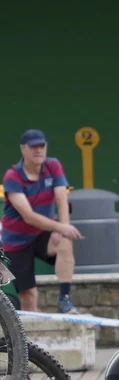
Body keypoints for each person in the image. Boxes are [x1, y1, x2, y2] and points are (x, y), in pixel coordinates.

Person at [1, 130, 82, 313]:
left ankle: (64, 300)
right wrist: (60, 226)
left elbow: (62, 200)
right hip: (15, 242)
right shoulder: (12, 176)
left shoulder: (53, 165)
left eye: (41, 146)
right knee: (28, 296)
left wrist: (62, 229)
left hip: (42, 234)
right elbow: (28, 216)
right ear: (23, 149)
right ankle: (29, 331)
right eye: (33, 147)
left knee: (65, 241)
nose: (38, 150)